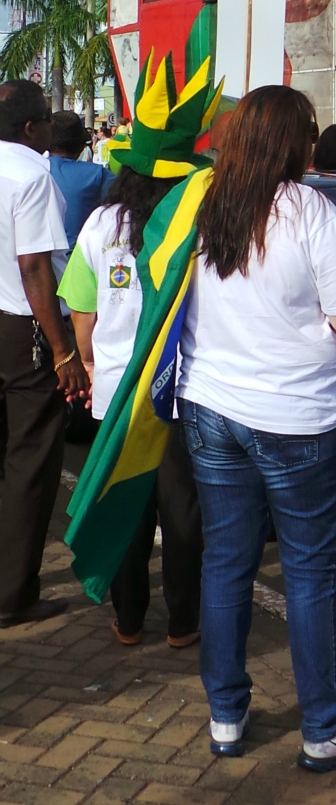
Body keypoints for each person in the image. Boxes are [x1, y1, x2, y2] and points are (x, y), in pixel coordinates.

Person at [176, 86, 336, 769]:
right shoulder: (309, 210)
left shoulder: (205, 205)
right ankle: (325, 726)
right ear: (294, 142)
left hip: (210, 406)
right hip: (298, 416)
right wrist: (310, 329)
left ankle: (226, 715)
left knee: (226, 562)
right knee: (308, 572)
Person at [59, 148, 204, 649]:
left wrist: (90, 359)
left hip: (118, 390)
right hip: (179, 387)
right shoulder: (195, 221)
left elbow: (81, 305)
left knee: (124, 504)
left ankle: (129, 619)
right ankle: (184, 622)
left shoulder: (101, 223)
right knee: (181, 507)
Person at [0, 81, 88, 626]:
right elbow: (35, 266)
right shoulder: (33, 175)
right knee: (31, 461)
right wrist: (63, 352)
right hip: (20, 328)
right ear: (33, 129)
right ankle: (12, 595)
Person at [47, 112, 113, 266]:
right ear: (82, 146)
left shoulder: (31, 170)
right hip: (78, 267)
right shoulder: (97, 174)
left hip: (31, 270)